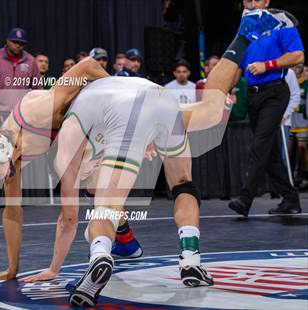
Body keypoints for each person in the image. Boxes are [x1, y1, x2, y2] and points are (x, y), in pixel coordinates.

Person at [67, 8, 291, 306]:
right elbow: (93, 74)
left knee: (104, 205)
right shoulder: (91, 90)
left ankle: (99, 256)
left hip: (124, 115)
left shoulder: (72, 119)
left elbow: (69, 214)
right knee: (186, 175)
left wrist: (54, 267)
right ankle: (190, 259)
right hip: (156, 99)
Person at [0, 58, 141, 281]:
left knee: (95, 192)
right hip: (85, 132)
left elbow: (88, 65)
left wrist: (118, 97)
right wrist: (12, 269)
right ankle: (126, 240)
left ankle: (124, 240)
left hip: (108, 110)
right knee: (94, 191)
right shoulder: (10, 163)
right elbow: (12, 214)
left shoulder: (35, 112)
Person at [228, 0, 303, 217]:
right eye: (247, 0)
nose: (250, 3)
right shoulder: (245, 27)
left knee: (259, 145)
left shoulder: (282, 20)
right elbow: (239, 66)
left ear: (266, 1)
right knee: (269, 154)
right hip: (253, 96)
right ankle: (290, 199)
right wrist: (229, 90)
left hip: (275, 93)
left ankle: (245, 198)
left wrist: (267, 65)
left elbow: (298, 55)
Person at [0, 28, 41, 127]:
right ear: (7, 41)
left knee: (21, 142)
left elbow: (38, 87)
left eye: (21, 43)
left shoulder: (30, 61)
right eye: (15, 42)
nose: (18, 45)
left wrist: (35, 110)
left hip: (22, 112)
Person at [290, 64, 308, 189]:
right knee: (289, 150)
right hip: (290, 120)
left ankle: (304, 175)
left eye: (297, 68)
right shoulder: (288, 82)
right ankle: (291, 176)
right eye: (294, 68)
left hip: (302, 120)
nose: (295, 71)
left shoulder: (305, 84)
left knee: (302, 147)